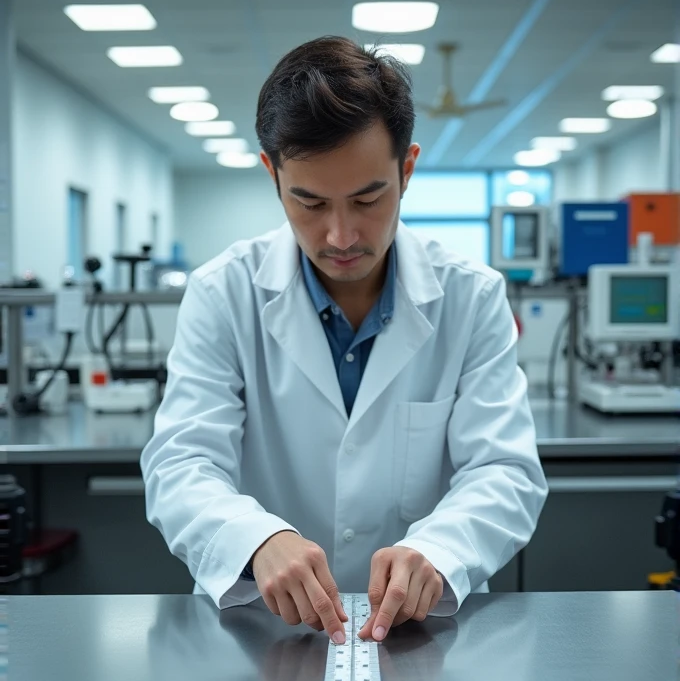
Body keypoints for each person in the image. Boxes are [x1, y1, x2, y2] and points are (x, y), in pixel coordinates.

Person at [141, 36, 548, 646]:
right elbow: (181, 463)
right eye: (308, 202)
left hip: (425, 632)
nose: (339, 235)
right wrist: (255, 540)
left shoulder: (472, 295)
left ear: (406, 170)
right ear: (271, 174)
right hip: (262, 631)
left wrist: (439, 550)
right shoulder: (223, 291)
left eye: (367, 199)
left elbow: (503, 470)